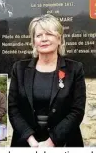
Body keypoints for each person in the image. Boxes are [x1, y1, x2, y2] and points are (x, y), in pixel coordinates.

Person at [8, 14, 86, 147]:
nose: (44, 39)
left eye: (49, 34)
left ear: (59, 39)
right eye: (38, 35)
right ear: (33, 41)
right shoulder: (19, 69)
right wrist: (31, 140)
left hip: (64, 143)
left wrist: (52, 141)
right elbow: (13, 109)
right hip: (27, 144)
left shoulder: (74, 69)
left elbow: (77, 111)